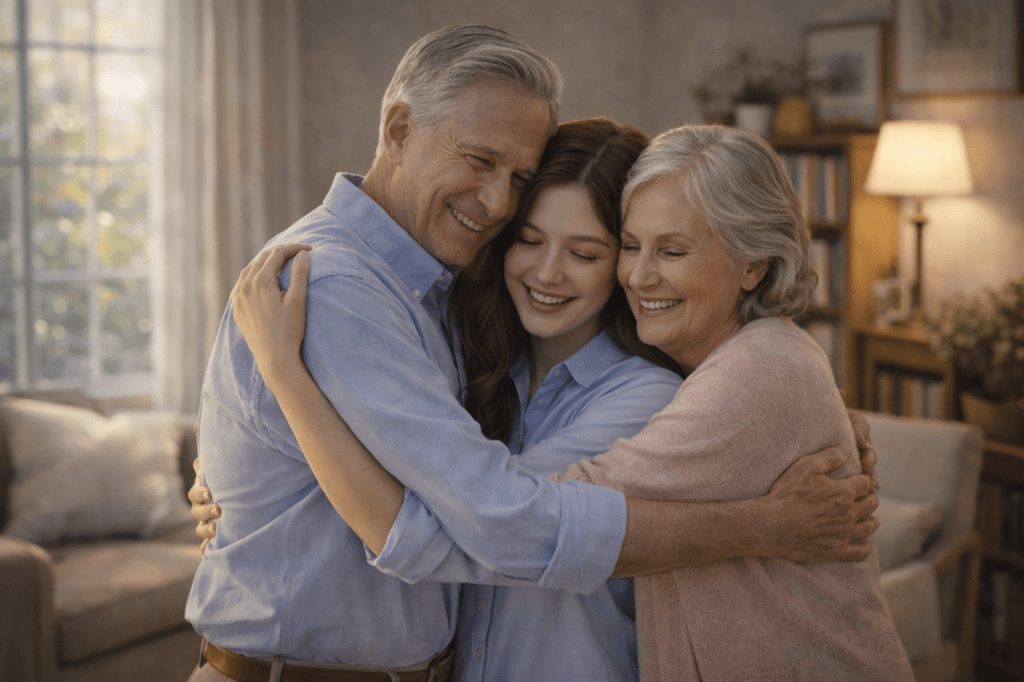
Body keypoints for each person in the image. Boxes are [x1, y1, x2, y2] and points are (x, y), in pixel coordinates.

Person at [186, 24, 878, 682]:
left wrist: (798, 435)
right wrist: (762, 525)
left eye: (589, 251)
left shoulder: (441, 301)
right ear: (398, 131)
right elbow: (494, 519)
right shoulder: (340, 287)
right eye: (481, 161)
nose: (495, 203)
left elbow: (458, 527)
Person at [552, 124, 912, 679]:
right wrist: (770, 522)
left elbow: (553, 520)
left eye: (672, 251)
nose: (638, 276)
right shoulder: (754, 354)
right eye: (630, 245)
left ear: (753, 265)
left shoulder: (755, 373)